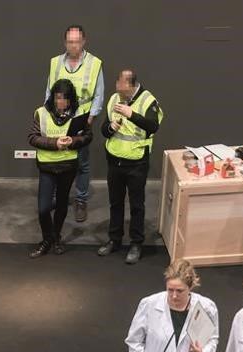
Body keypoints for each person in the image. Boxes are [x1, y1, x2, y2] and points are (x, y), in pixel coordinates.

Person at [97, 69, 163, 265]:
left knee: (136, 205)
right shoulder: (114, 99)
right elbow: (103, 129)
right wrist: (110, 128)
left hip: (136, 162)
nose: (117, 86)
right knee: (115, 203)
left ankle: (136, 243)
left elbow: (153, 126)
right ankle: (114, 239)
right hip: (114, 160)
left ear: (131, 85)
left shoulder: (147, 100)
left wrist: (131, 114)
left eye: (120, 83)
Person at [27, 79, 93, 258]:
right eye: (58, 98)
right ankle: (46, 239)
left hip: (68, 166)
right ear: (53, 98)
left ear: (71, 99)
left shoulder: (79, 114)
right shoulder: (41, 113)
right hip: (47, 166)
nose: (61, 102)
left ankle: (55, 237)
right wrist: (55, 143)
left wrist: (73, 141)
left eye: (65, 99)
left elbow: (88, 136)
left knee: (62, 204)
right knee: (43, 208)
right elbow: (32, 137)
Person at [45, 25, 104, 223]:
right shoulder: (55, 63)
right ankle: (55, 196)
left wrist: (90, 119)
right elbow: (48, 91)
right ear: (65, 43)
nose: (73, 46)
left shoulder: (94, 63)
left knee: (81, 163)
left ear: (84, 41)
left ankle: (80, 200)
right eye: (70, 42)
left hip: (81, 119)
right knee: (55, 158)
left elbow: (99, 95)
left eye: (77, 41)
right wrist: (48, 116)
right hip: (57, 119)